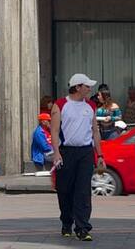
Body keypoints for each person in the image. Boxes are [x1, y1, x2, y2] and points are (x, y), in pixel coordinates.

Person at [55, 73, 103, 242]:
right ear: (77, 88)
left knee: (83, 191)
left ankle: (82, 227)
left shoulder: (90, 106)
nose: (90, 89)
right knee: (65, 190)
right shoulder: (60, 105)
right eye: (87, 86)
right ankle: (66, 222)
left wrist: (100, 154)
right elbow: (54, 131)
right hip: (66, 152)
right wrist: (56, 152)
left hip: (85, 152)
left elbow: (95, 131)